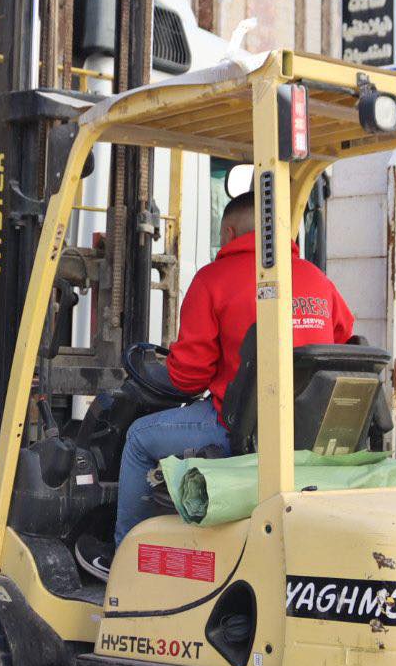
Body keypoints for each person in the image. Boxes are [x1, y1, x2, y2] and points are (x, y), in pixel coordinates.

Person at [89, 192, 353, 576]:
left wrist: (179, 367)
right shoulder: (317, 279)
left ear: (229, 232)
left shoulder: (213, 280)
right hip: (310, 432)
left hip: (240, 430)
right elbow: (342, 341)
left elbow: (188, 377)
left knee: (139, 438)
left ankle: (124, 561)